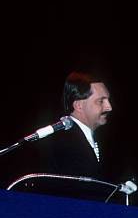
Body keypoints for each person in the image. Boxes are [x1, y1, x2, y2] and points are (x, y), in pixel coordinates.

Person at [33, 71, 118, 199]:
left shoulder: (104, 140)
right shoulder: (58, 142)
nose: (109, 107)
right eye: (101, 101)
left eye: (108, 100)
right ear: (78, 105)